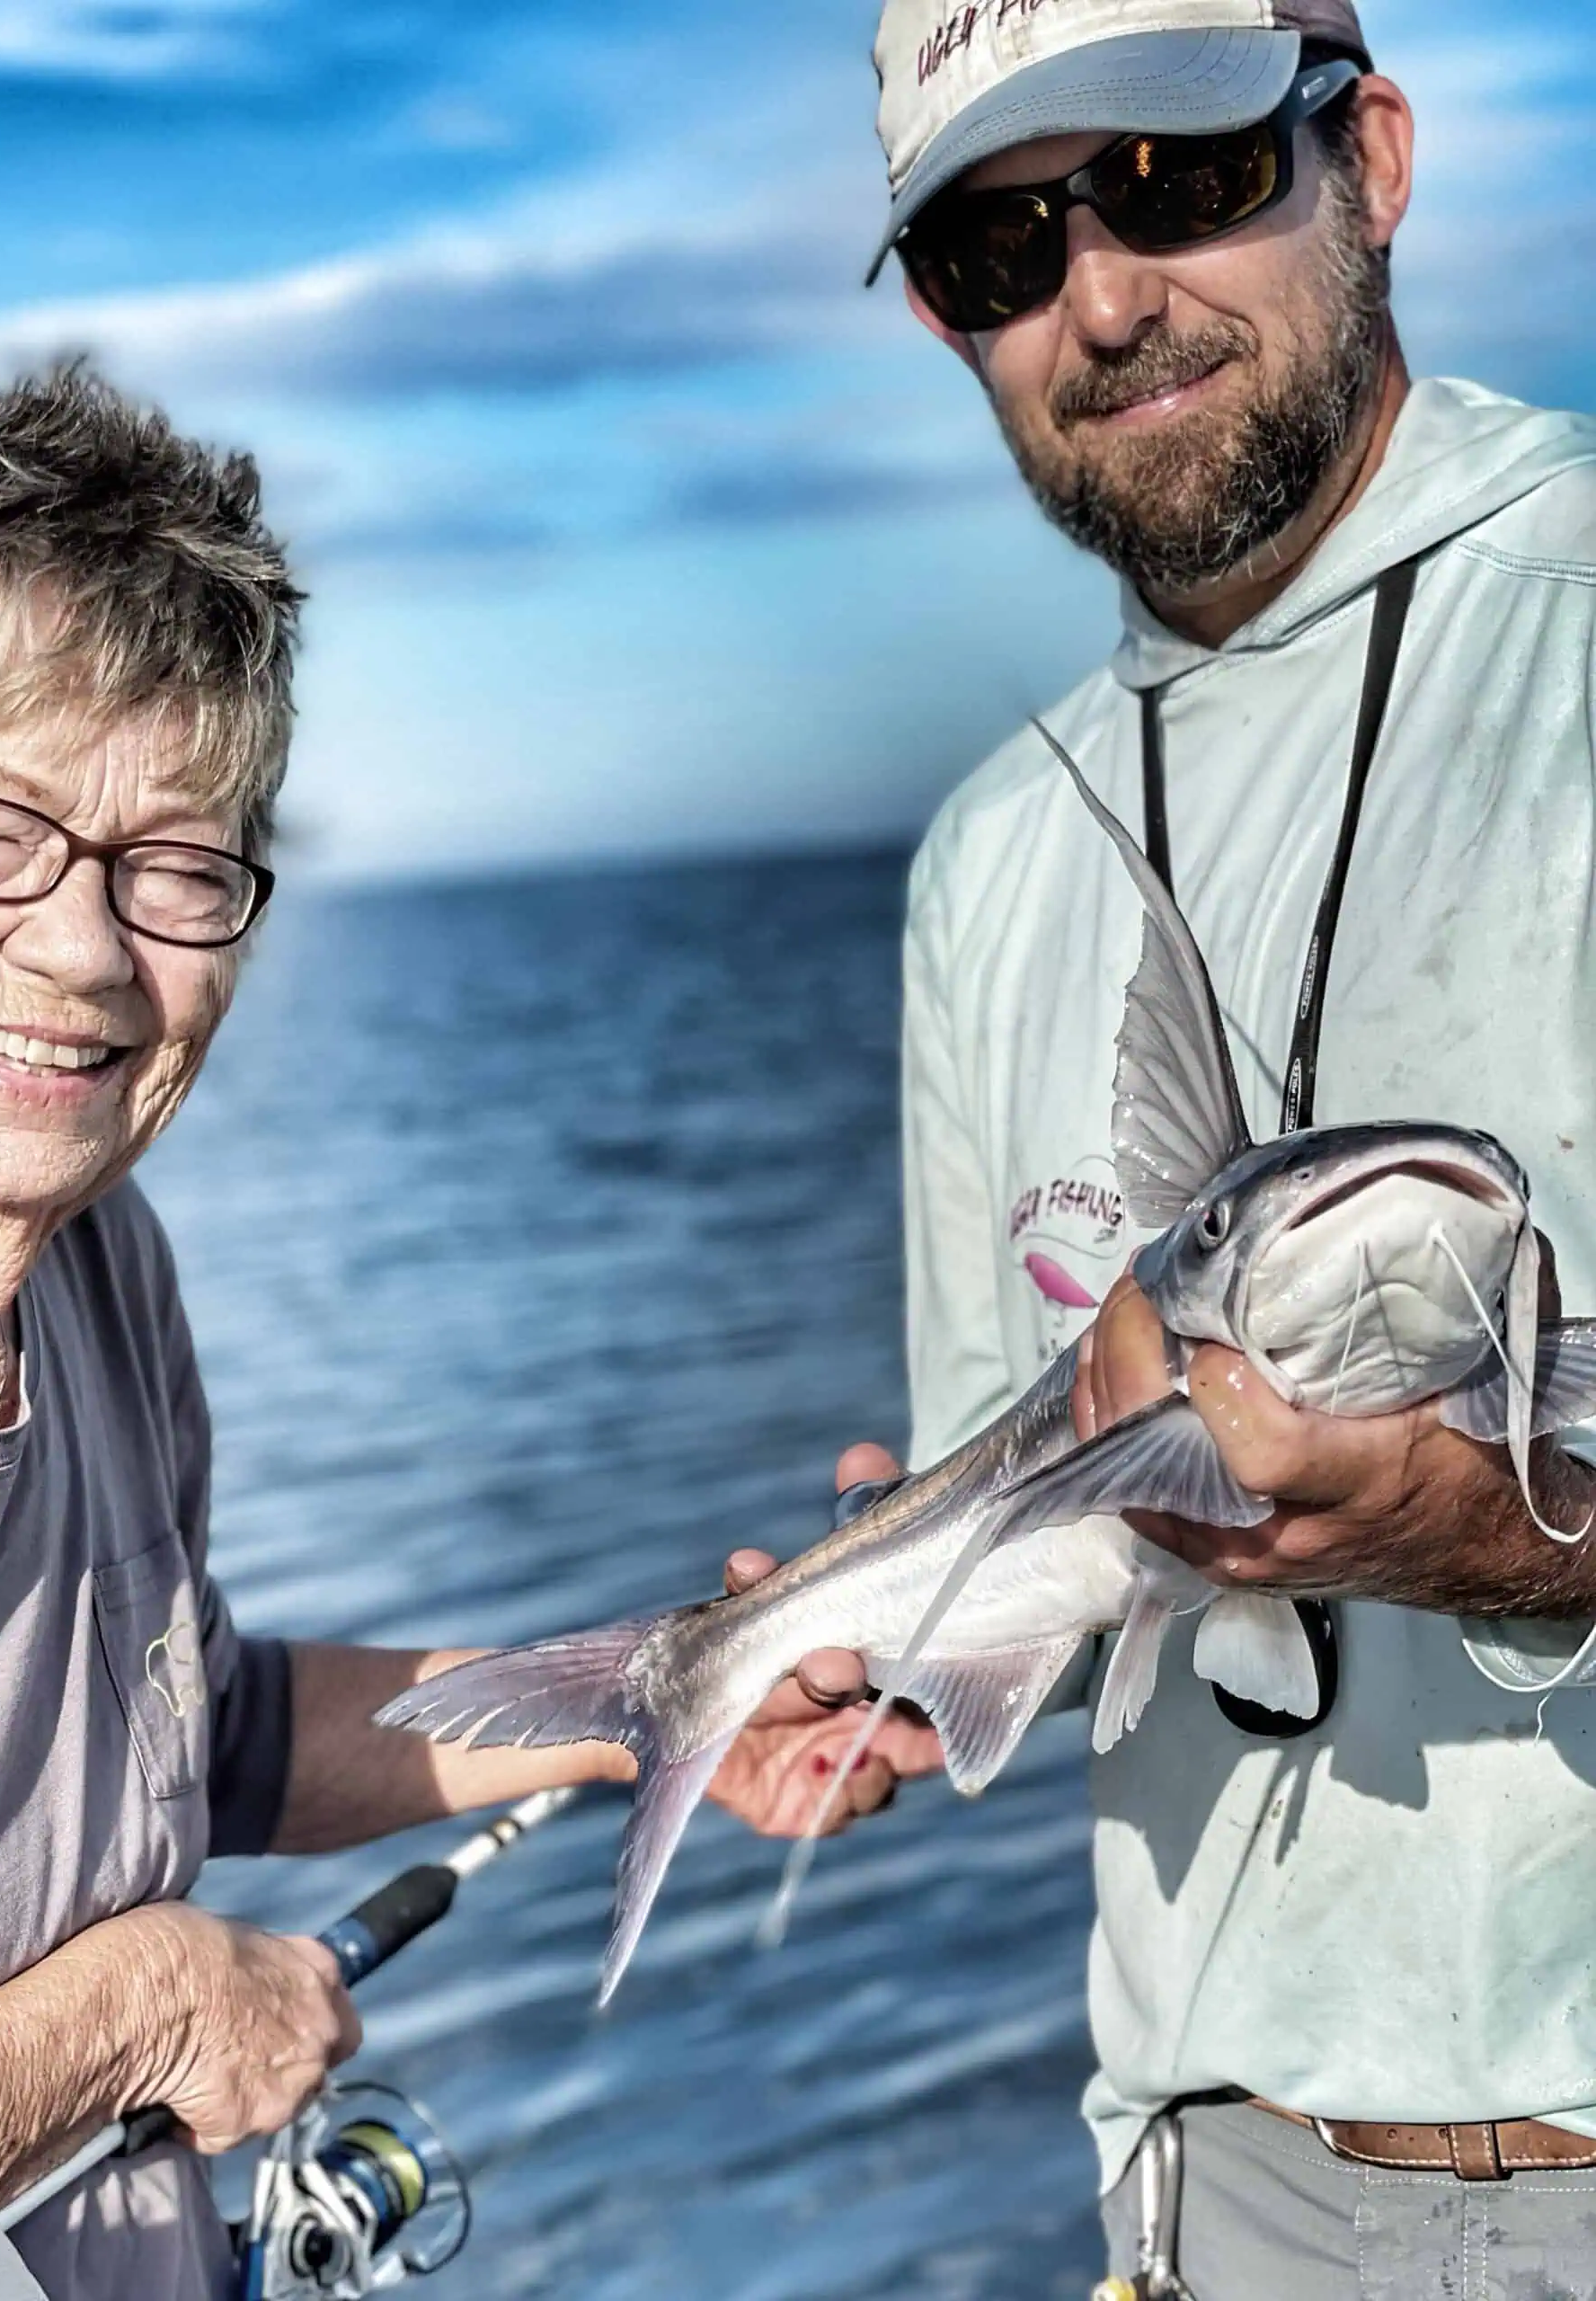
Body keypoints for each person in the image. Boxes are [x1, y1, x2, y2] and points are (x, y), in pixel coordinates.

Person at [0, 369, 925, 2300]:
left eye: (174, 863)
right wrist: (144, 2005)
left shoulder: (87, 1257)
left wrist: (656, 1692)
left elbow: (190, 1728)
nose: (88, 950)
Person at [813, 0, 1596, 2290]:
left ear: (1367, 152)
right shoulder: (984, 865)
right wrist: (881, 1626)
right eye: (993, 244)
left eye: (1168, 179)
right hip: (1207, 2188)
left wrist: (1514, 1537)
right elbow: (1058, 1503)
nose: (1101, 295)